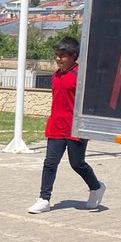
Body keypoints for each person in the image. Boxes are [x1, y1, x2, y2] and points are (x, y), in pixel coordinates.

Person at [28, 36, 105, 214]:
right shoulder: (56, 75)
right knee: (50, 163)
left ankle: (96, 187)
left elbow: (91, 102)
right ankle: (44, 199)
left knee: (77, 164)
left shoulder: (81, 76)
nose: (58, 59)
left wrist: (88, 126)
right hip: (56, 126)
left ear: (73, 56)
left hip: (75, 127)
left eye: (62, 56)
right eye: (56, 55)